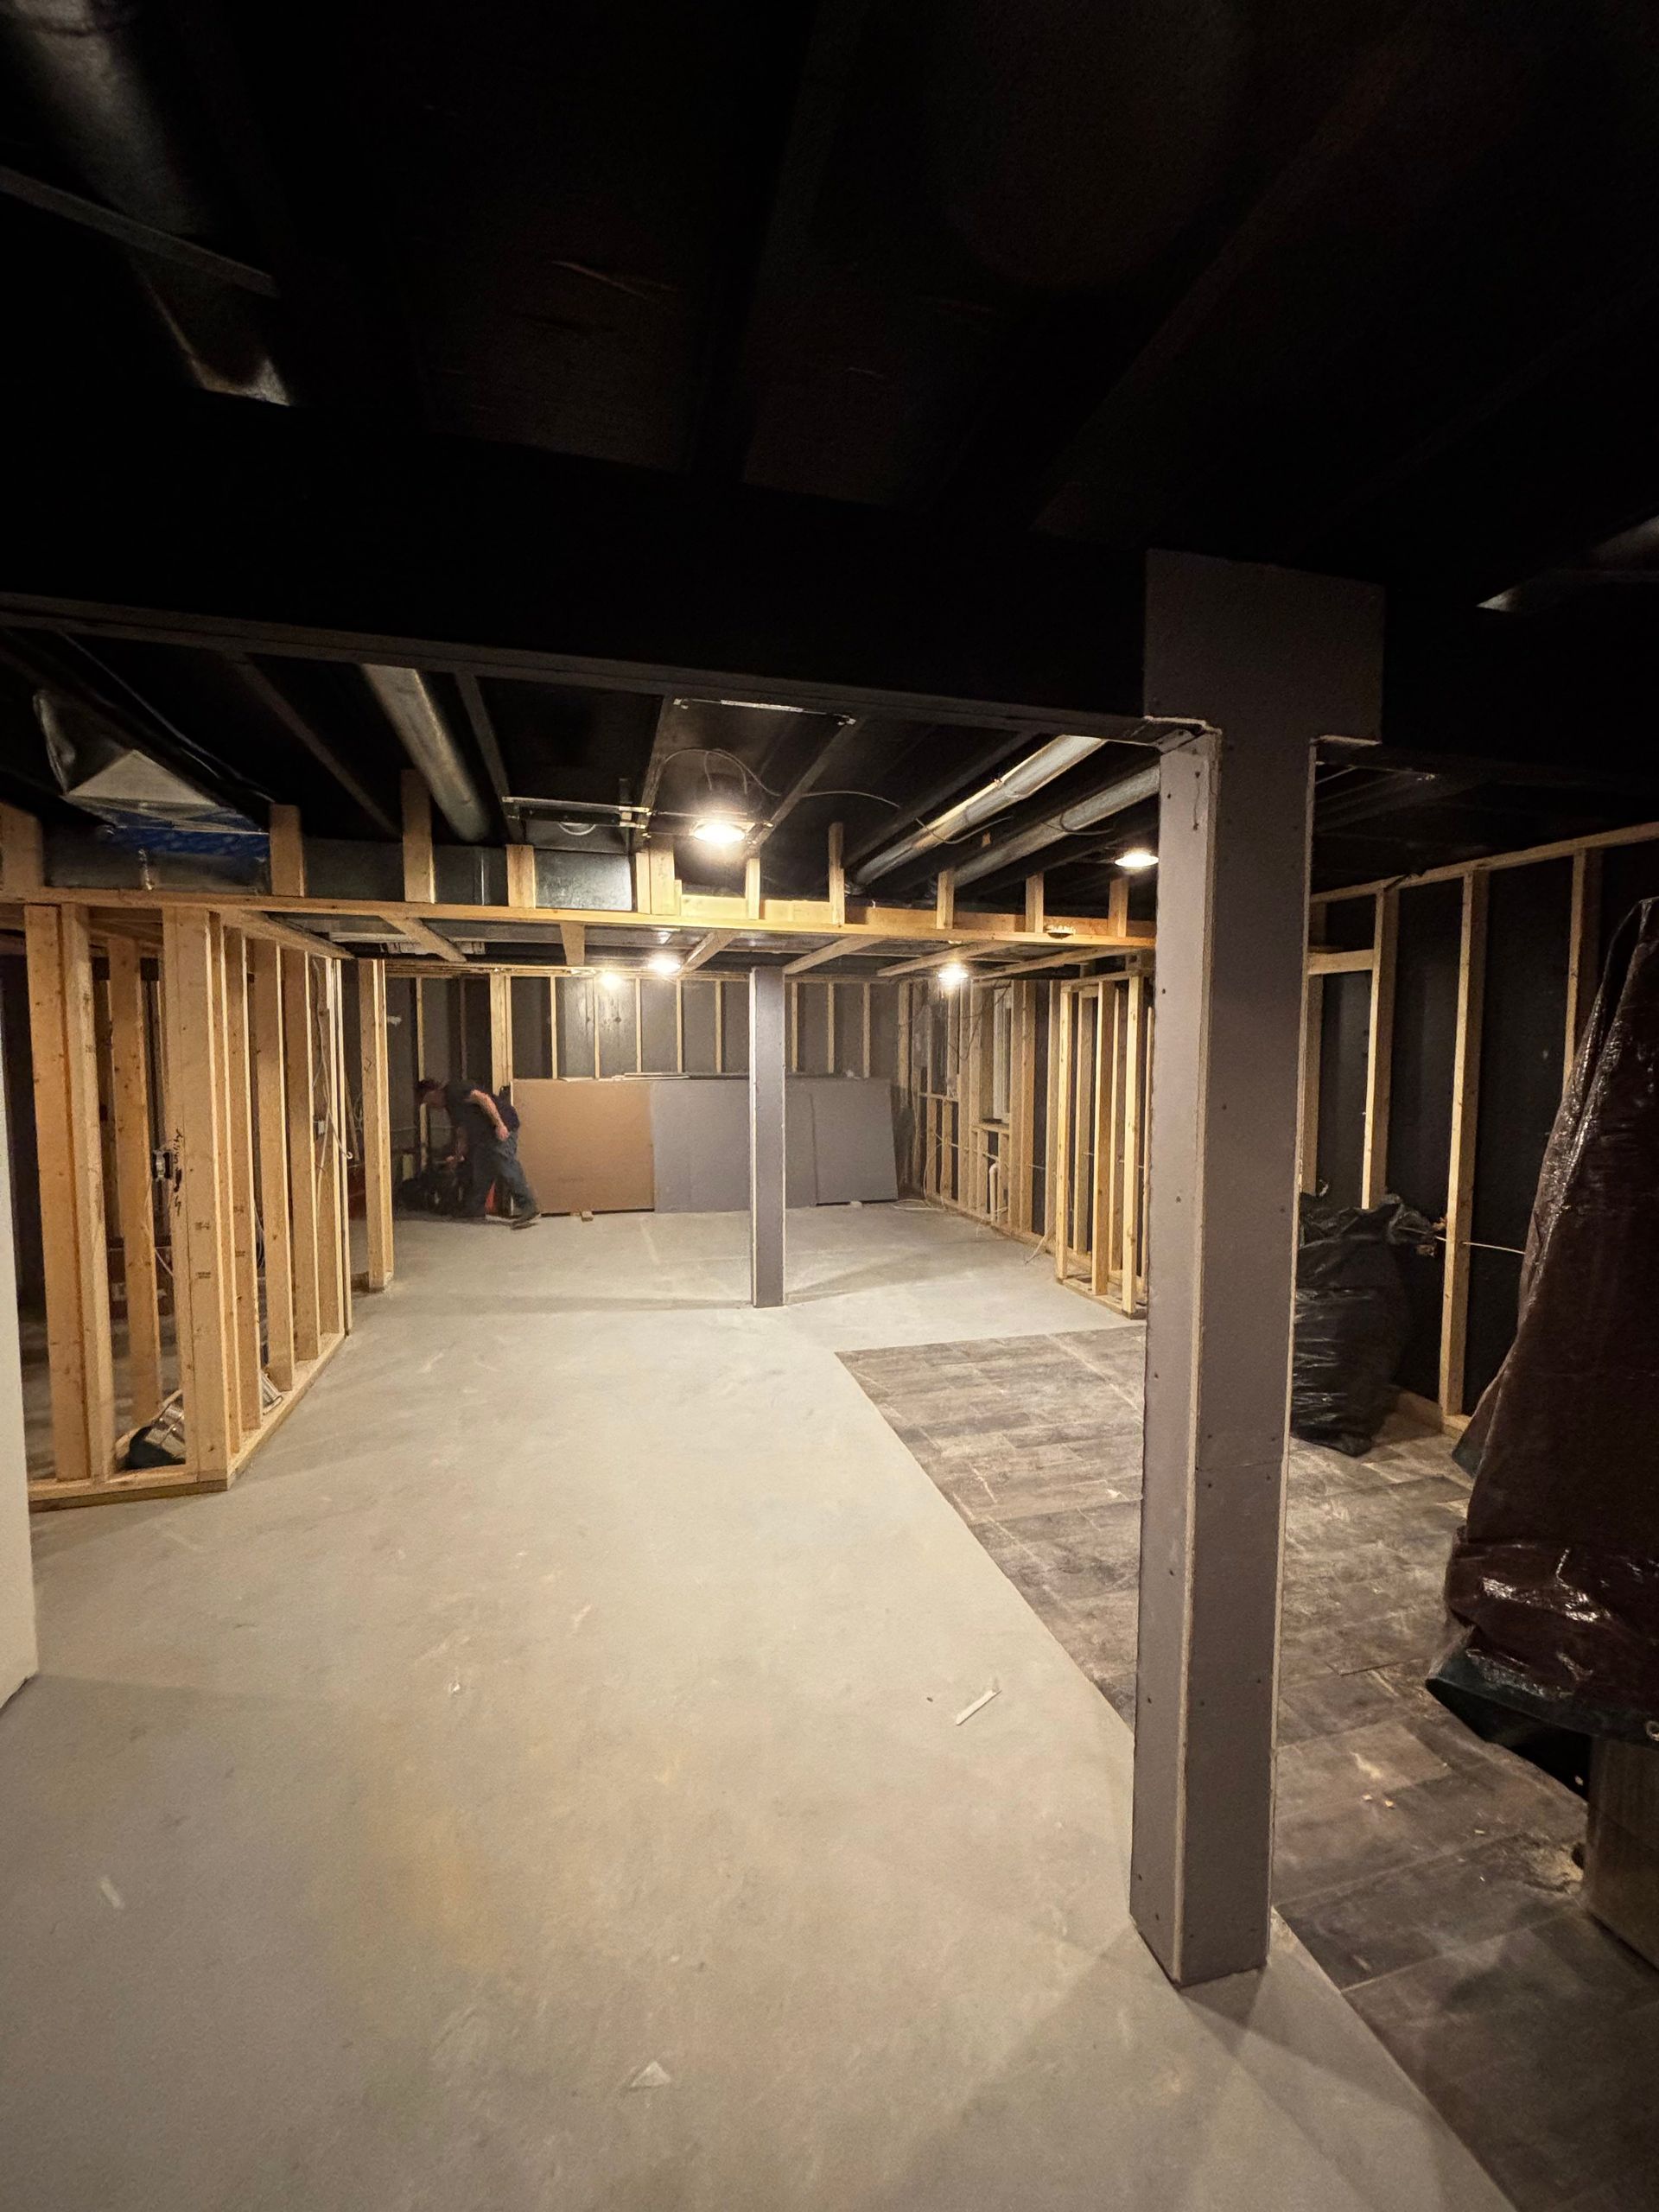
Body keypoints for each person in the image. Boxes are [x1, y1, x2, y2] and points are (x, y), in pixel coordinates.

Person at [416, 1074, 539, 1227]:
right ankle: (473, 1208)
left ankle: (528, 1206)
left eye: (428, 1102)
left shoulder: (454, 1090)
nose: (432, 1108)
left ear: (431, 1093)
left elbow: (483, 1099)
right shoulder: (452, 1108)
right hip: (486, 1135)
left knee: (504, 1161)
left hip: (502, 1124)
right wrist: (455, 1160)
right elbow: (462, 1135)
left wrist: (499, 1124)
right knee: (481, 1168)